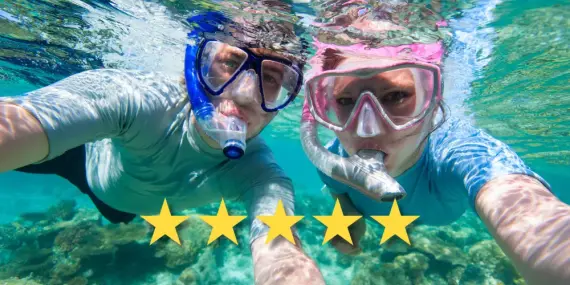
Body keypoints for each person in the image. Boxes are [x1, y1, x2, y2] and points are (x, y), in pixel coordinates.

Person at [0, 9, 326, 285]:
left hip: (119, 206)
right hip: (80, 158)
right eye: (230, 63)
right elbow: (21, 121)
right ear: (192, 70)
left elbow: (279, 248)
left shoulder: (263, 175)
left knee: (118, 217)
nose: (244, 94)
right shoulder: (134, 99)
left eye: (270, 78)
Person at [299, 3, 570, 285]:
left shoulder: (460, 151)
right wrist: (347, 217)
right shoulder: (329, 158)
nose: (367, 128)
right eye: (345, 101)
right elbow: (340, 193)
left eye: (395, 96)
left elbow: (526, 209)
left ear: (433, 101)